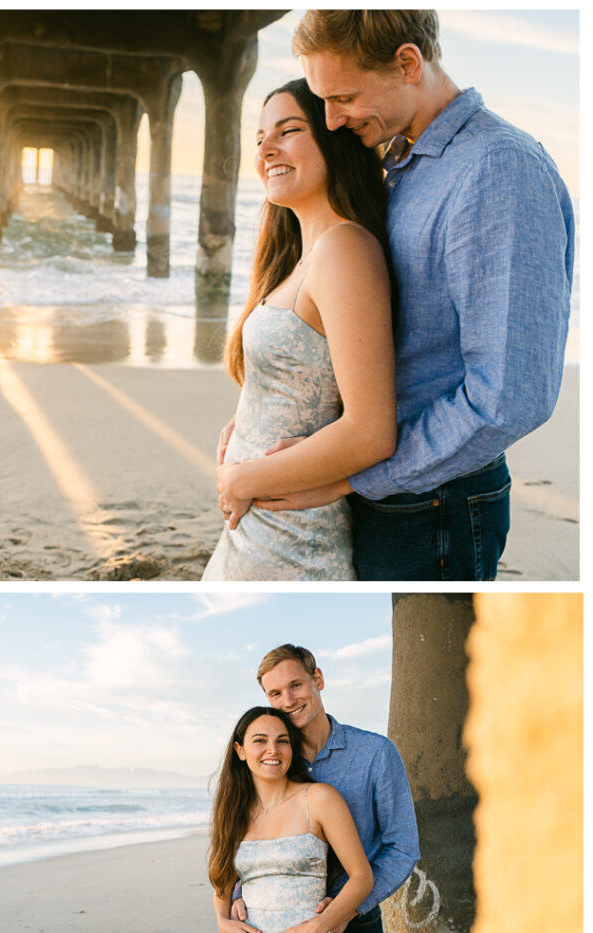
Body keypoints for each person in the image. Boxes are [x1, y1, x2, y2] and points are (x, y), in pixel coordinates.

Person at [251, 9, 575, 581]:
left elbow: (510, 398)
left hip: (432, 502)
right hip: (388, 484)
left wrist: (355, 475)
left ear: (408, 63)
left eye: (345, 96)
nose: (331, 118)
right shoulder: (404, 161)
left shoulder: (497, 169)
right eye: (322, 100)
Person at [202, 76, 396, 580]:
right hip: (260, 527)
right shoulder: (299, 256)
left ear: (333, 139)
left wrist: (243, 479)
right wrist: (245, 422)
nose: (267, 148)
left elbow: (371, 432)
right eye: (260, 137)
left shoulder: (345, 250)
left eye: (288, 131)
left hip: (293, 537)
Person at [230, 644, 420, 933]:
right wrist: (237, 894)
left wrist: (345, 911)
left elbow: (402, 846)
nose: (288, 700)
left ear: (318, 680)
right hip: (279, 930)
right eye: (275, 693)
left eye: (296, 685)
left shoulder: (375, 753)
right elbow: (245, 831)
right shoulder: (273, 758)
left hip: (356, 921)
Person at [210, 705, 374, 933]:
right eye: (260, 740)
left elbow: (362, 877)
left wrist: (316, 928)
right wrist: (222, 922)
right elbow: (221, 879)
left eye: (282, 740)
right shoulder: (232, 813)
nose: (272, 749)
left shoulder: (320, 799)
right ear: (240, 750)